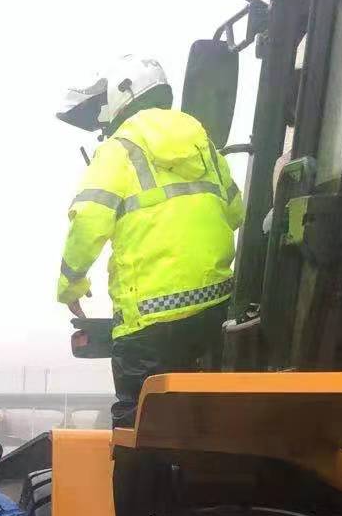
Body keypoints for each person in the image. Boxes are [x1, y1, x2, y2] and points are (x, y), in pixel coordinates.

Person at [56, 56, 245, 428]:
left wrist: (71, 284)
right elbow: (236, 212)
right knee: (207, 422)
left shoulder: (118, 148)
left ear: (121, 98)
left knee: (138, 427)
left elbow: (88, 219)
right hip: (214, 309)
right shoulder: (202, 142)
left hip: (147, 322)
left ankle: (139, 483)